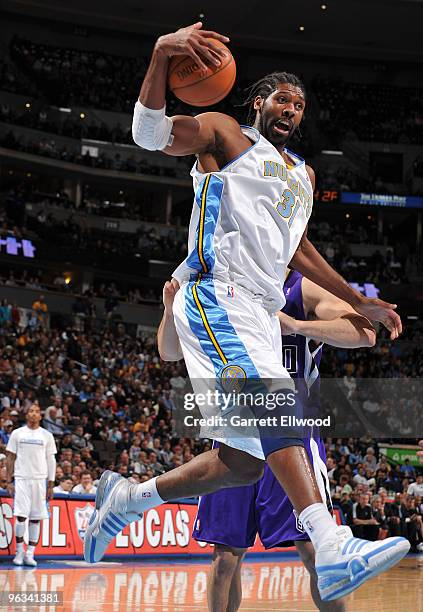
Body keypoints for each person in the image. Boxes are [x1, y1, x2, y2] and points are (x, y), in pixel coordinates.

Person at [84, 23, 407, 602]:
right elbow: (148, 132)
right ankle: (330, 544)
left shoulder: (303, 176)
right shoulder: (227, 135)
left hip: (257, 305)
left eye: (299, 104)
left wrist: (359, 299)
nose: (291, 108)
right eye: (282, 98)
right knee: (275, 400)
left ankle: (128, 499)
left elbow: (298, 251)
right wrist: (162, 55)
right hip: (217, 292)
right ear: (258, 103)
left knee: (241, 464)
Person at [158, 272, 378, 611]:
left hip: (293, 434)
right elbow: (168, 351)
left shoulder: (300, 288)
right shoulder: (224, 286)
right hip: (238, 433)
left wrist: (297, 326)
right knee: (225, 556)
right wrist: (170, 311)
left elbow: (364, 333)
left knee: (314, 551)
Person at [5, 404, 57, 566]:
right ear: (26, 415)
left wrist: (50, 483)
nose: (33, 414)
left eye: (36, 411)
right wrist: (8, 480)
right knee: (21, 516)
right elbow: (10, 458)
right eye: (30, 411)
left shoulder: (46, 435)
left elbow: (51, 460)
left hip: (40, 480)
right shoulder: (17, 433)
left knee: (35, 519)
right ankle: (19, 552)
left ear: (40, 416)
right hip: (21, 478)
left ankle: (30, 554)